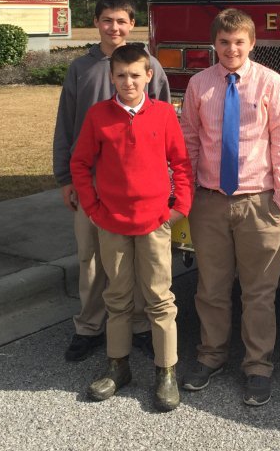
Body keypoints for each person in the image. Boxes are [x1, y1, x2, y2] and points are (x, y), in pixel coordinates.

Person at [179, 8, 280, 407]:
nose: (231, 49)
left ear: (252, 44)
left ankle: (258, 367)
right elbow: (190, 140)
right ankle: (210, 356)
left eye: (239, 42)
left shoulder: (270, 83)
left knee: (258, 292)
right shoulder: (199, 85)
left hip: (258, 203)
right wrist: (187, 191)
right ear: (215, 43)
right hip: (210, 202)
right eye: (224, 42)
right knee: (210, 288)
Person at [70, 44, 193, 411]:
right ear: (112, 77)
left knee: (159, 299)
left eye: (135, 75)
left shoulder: (164, 115)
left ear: (148, 76)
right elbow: (80, 165)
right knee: (118, 298)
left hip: (155, 223)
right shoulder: (98, 116)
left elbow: (182, 164)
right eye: (121, 75)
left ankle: (165, 371)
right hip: (113, 224)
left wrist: (180, 207)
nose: (128, 82)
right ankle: (117, 366)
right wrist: (93, 208)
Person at [52, 0, 170, 362]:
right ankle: (89, 326)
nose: (113, 27)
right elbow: (66, 125)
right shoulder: (81, 69)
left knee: (134, 261)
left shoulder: (150, 67)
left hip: (137, 189)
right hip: (92, 183)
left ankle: (137, 326)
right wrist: (65, 177)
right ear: (97, 22)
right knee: (90, 259)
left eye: (121, 21)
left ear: (132, 24)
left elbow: (166, 125)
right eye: (106, 20)